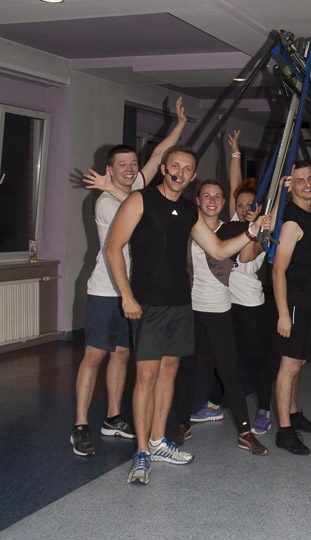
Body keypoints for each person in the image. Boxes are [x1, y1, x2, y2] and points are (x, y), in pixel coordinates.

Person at [105, 144, 270, 484]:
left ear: (192, 175)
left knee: (169, 371)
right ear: (165, 168)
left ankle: (158, 441)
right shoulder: (140, 200)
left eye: (187, 168)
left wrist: (252, 232)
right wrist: (127, 295)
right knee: (147, 376)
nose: (180, 172)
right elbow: (113, 248)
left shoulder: (189, 211)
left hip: (182, 303)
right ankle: (141, 451)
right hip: (149, 303)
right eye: (175, 166)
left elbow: (219, 249)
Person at [70, 97, 187, 456]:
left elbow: (159, 154)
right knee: (95, 356)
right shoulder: (106, 201)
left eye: (133, 164)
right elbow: (141, 208)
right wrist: (108, 188)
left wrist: (180, 124)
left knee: (121, 355)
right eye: (122, 165)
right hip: (107, 291)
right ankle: (80, 425)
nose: (130, 169)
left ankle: (112, 417)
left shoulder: (133, 186)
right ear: (109, 170)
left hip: (134, 292)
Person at [170, 178, 268, 456]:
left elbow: (247, 256)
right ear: (197, 200)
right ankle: (182, 423)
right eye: (206, 196)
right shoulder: (186, 226)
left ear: (224, 203)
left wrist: (258, 228)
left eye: (217, 197)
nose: (212, 201)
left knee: (229, 372)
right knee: (185, 368)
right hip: (188, 309)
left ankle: (245, 432)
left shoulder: (234, 229)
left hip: (219, 309)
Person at [273, 161, 311, 455]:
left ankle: (292, 415)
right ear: (290, 186)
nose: (306, 184)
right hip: (294, 301)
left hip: (309, 301)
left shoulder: (309, 216)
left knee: (299, 362)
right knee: (289, 365)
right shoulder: (292, 221)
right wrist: (283, 313)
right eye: (299, 180)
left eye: (309, 178)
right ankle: (284, 431)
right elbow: (278, 270)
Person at [226, 130, 276, 435]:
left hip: (249, 304)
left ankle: (264, 409)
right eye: (240, 204)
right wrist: (235, 153)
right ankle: (215, 403)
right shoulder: (231, 223)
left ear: (258, 207)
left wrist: (256, 223)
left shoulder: (262, 234)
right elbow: (235, 187)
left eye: (250, 205)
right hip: (223, 302)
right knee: (225, 357)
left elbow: (245, 257)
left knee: (257, 360)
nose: (245, 208)